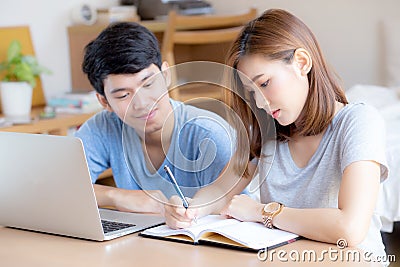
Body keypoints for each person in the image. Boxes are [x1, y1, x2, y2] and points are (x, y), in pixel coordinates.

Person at [164, 9, 389, 263]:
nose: (259, 102)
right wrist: (190, 209)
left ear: (301, 63)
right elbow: (222, 192)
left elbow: (349, 228)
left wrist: (262, 212)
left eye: (264, 83)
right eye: (250, 92)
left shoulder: (358, 122)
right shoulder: (264, 131)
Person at [75, 22, 235, 215]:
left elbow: (237, 211)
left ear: (166, 75)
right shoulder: (103, 127)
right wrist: (117, 196)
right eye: (123, 95)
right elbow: (59, 186)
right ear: (104, 101)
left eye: (149, 84)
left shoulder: (210, 134)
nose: (141, 103)